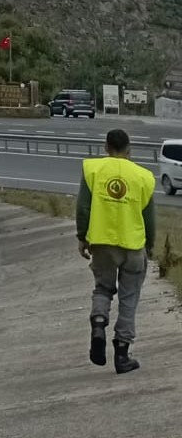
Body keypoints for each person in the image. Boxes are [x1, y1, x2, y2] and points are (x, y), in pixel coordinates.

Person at [77, 127, 155, 375]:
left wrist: (82, 237)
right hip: (133, 246)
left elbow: (83, 207)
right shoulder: (143, 176)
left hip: (102, 243)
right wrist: (149, 246)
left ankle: (99, 323)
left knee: (103, 288)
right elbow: (149, 217)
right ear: (129, 149)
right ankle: (122, 355)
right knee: (129, 300)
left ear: (105, 147)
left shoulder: (93, 170)